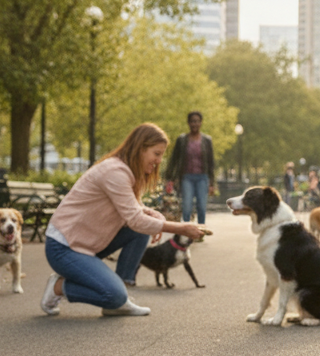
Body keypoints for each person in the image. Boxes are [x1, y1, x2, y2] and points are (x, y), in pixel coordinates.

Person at [41, 123, 206, 317]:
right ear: (140, 148)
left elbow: (132, 208)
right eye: (156, 153)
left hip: (85, 243)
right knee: (113, 295)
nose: (159, 161)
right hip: (63, 247)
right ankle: (60, 287)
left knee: (139, 232)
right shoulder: (115, 172)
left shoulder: (124, 171)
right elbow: (135, 218)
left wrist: (155, 216)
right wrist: (180, 228)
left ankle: (121, 291)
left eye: (161, 155)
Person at [163, 111, 215, 231]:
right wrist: (169, 178)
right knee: (186, 206)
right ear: (188, 123)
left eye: (197, 121)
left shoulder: (207, 140)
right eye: (192, 121)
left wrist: (212, 183)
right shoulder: (182, 140)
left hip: (203, 177)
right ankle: (186, 231)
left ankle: (201, 231)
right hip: (187, 177)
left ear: (201, 123)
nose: (194, 124)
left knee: (201, 207)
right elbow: (174, 160)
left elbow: (211, 163)